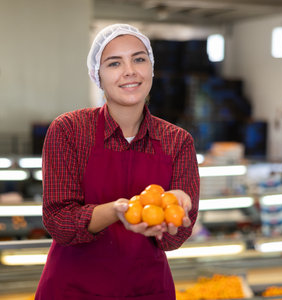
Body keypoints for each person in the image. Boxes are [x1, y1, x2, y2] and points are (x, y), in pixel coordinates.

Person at [35, 24, 200, 300]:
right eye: (114, 63)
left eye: (139, 59)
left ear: (151, 67)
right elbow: (58, 221)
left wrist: (178, 209)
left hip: (147, 291)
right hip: (73, 290)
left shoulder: (178, 141)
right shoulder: (69, 130)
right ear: (97, 75)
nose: (130, 71)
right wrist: (117, 211)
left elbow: (172, 240)